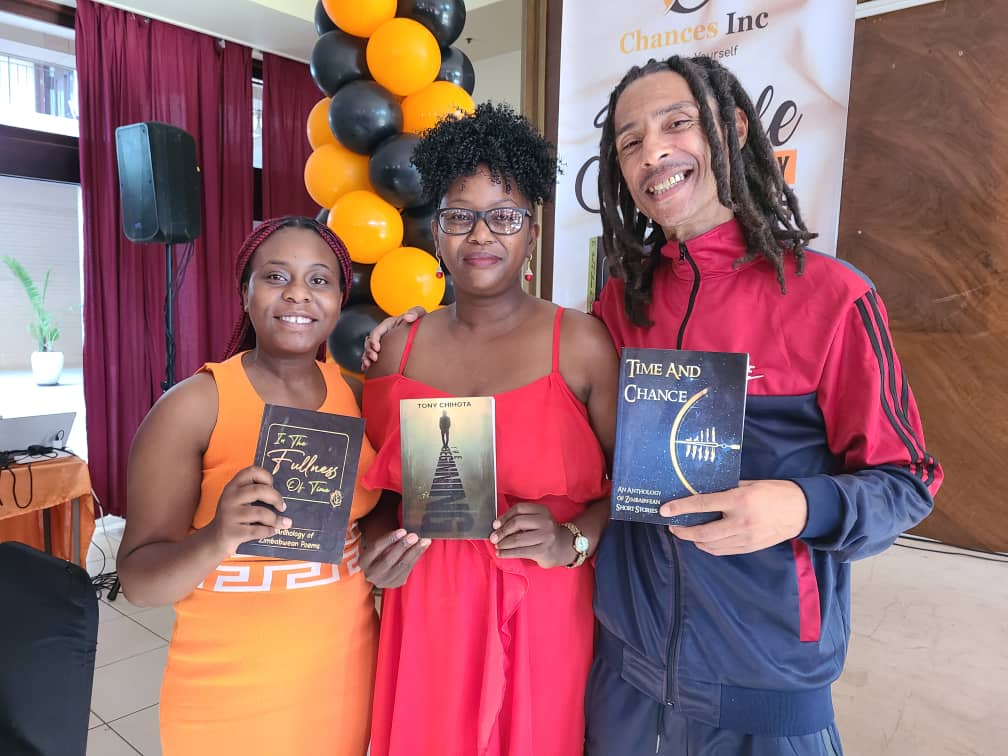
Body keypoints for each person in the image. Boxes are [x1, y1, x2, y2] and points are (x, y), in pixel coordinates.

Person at [365, 57, 943, 755]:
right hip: (624, 670)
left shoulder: (831, 297)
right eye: (630, 141)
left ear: (732, 129)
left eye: (676, 124)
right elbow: (575, 440)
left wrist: (797, 505)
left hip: (764, 677)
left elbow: (907, 482)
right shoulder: (623, 303)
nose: (653, 154)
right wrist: (411, 329)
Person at [358, 102, 618, 756]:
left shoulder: (581, 344)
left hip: (545, 601)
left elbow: (634, 487)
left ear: (533, 233)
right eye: (459, 216)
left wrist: (572, 542)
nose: (480, 235)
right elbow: (380, 493)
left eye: (504, 216)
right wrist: (380, 547)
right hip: (429, 604)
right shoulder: (396, 351)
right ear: (435, 232)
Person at [117, 217, 380, 756]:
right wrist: (217, 536)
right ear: (245, 292)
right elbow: (139, 583)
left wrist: (385, 546)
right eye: (276, 276)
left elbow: (371, 511)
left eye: (319, 280)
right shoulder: (195, 406)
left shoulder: (356, 397)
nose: (298, 294)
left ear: (339, 300)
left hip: (345, 680)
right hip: (229, 697)